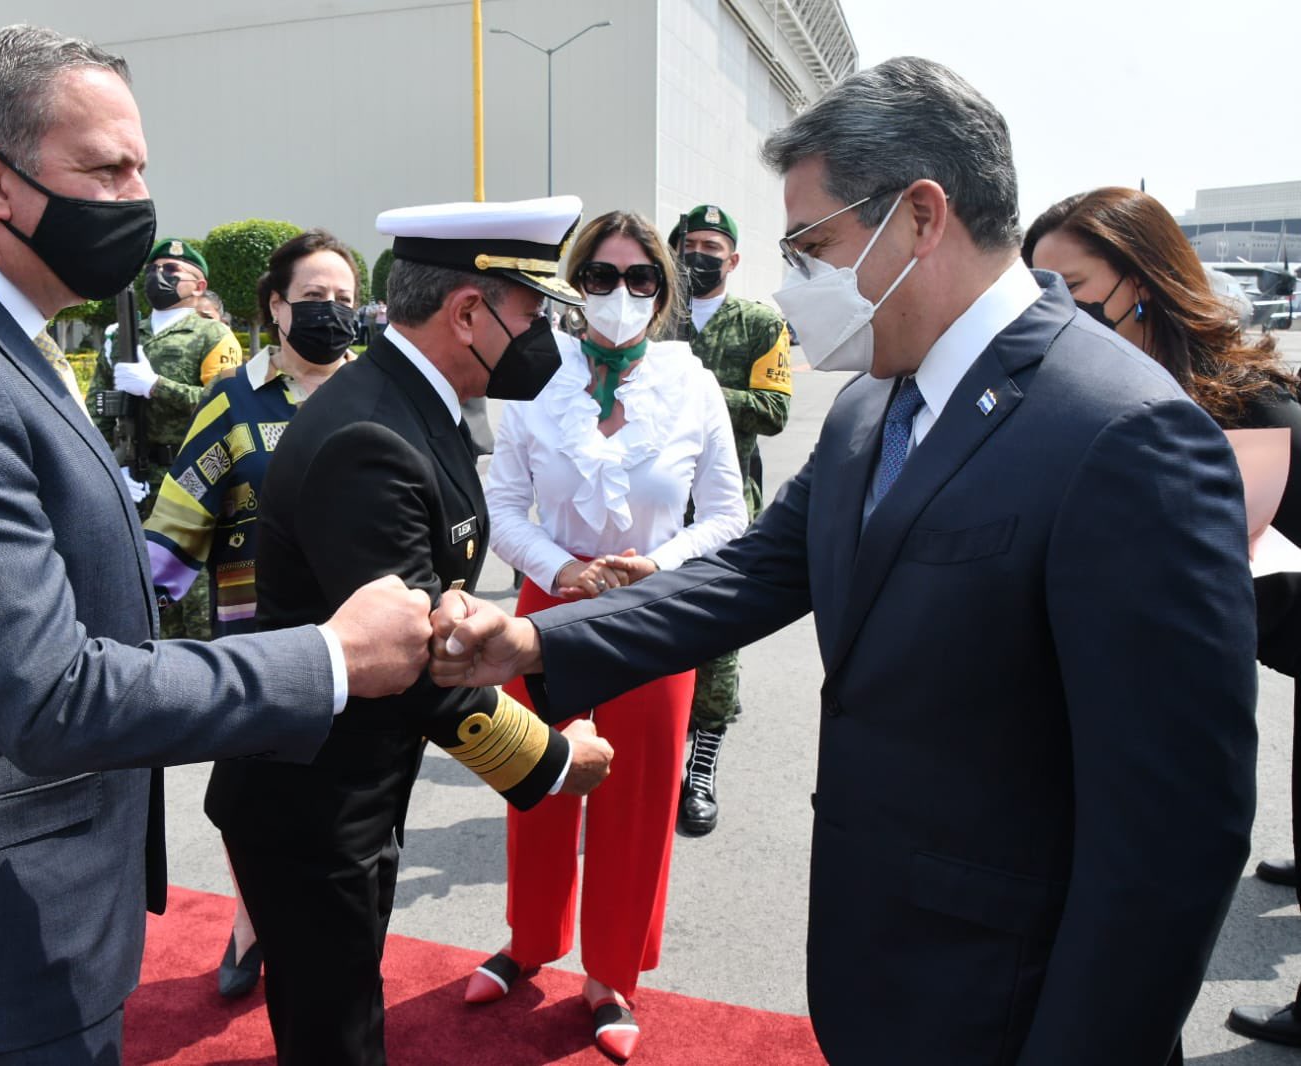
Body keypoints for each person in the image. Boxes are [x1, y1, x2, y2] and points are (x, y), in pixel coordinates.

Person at [430, 56, 1258, 1066]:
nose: (793, 285)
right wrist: (524, 636)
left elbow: (1172, 840)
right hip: (876, 967)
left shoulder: (1125, 432)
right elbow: (752, 573)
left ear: (921, 216)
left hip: (1007, 1003)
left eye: (812, 245)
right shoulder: (875, 400)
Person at [0, 26, 433, 1064]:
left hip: (22, 892)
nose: (137, 198)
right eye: (107, 168)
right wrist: (333, 658)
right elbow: (51, 696)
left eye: (141, 168)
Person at [223, 195, 616, 1066]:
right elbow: (416, 662)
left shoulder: (411, 405)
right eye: (532, 311)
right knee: (337, 1033)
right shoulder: (371, 434)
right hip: (312, 800)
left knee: (342, 1009)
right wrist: (551, 765)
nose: (544, 332)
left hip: (351, 782)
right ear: (467, 312)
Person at [1022, 186, 1301, 1051]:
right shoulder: (1055, 390)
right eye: (1038, 294)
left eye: (1074, 292)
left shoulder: (1253, 404)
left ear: (1140, 282)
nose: (1056, 316)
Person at [468, 210, 746, 1059]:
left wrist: (657, 567)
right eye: (599, 276)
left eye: (639, 279)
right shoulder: (529, 378)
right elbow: (504, 507)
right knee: (536, 782)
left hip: (653, 617)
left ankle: (612, 974)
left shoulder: (691, 383)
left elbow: (730, 514)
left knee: (637, 803)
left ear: (661, 291)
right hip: (547, 609)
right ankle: (529, 942)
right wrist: (560, 570)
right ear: (570, 283)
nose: (619, 294)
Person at [144, 228, 360, 999]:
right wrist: (120, 612)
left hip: (366, 651)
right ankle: (251, 919)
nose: (329, 313)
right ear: (275, 307)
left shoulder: (380, 394)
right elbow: (175, 524)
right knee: (253, 805)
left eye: (343, 300)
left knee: (349, 813)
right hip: (258, 646)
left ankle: (333, 938)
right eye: (312, 299)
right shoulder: (233, 403)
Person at [666, 203, 794, 836]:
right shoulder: (659, 317)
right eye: (689, 243)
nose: (698, 254)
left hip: (723, 506)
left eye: (711, 245)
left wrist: (698, 390)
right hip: (653, 508)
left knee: (717, 637)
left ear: (733, 259)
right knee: (653, 629)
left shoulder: (759, 324)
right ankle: (657, 755)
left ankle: (702, 765)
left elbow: (773, 409)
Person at [86, 237, 242, 640]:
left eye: (172, 271)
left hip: (194, 479)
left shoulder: (213, 335)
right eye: (153, 270)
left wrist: (157, 386)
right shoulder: (121, 335)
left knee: (195, 592)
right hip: (137, 478)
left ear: (200, 286)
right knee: (142, 588)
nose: (160, 277)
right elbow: (100, 406)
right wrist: (112, 464)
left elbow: (227, 407)